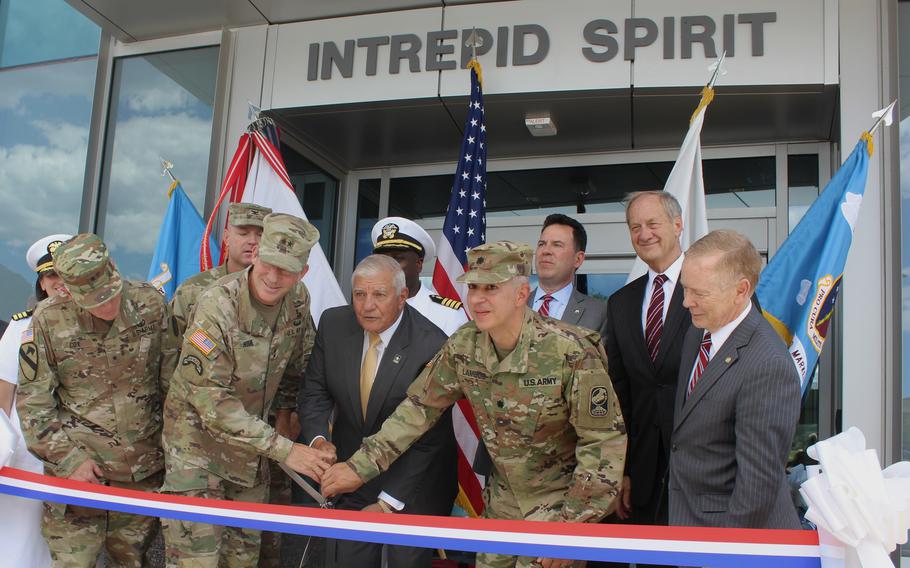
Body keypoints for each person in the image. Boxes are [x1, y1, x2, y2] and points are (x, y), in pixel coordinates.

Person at [321, 241, 626, 568]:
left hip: (557, 515)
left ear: (522, 295)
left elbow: (604, 443)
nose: (478, 299)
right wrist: (360, 466)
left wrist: (573, 528)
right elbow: (418, 411)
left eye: (491, 288)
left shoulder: (572, 351)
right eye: (474, 287)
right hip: (500, 512)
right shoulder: (464, 345)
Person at [160, 213, 335, 567]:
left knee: (243, 562)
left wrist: (290, 419)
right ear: (256, 254)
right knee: (197, 561)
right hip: (196, 453)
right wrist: (285, 450)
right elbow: (210, 399)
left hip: (250, 457)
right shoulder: (216, 305)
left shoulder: (298, 300)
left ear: (302, 272)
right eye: (268, 263)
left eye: (286, 270)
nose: (273, 277)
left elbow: (297, 367)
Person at [17, 233, 170, 568]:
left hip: (140, 474)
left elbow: (172, 387)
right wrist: (70, 461)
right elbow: (33, 404)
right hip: (78, 475)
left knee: (130, 562)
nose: (108, 306)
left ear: (113, 267)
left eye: (111, 294)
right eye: (95, 301)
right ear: (69, 292)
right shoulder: (47, 321)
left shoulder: (150, 305)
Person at [300, 254, 456, 567]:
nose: (367, 305)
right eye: (360, 294)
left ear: (403, 297)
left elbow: (430, 436)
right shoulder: (334, 324)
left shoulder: (431, 344)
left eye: (379, 295)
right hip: (350, 472)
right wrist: (318, 440)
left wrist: (387, 503)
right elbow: (314, 392)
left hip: (412, 480)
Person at [671, 229, 800, 529]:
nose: (686, 302)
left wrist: (724, 553)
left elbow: (757, 485)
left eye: (699, 293)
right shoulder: (697, 333)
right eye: (685, 289)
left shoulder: (767, 364)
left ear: (741, 290)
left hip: (733, 538)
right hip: (690, 521)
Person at [596, 192, 691, 566]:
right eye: (635, 226)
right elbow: (620, 394)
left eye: (653, 223)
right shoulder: (620, 303)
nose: (644, 233)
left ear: (678, 224)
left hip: (701, 472)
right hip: (646, 477)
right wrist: (624, 469)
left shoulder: (713, 285)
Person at [0, 234, 71, 568]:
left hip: (75, 453)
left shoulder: (97, 327)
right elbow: (4, 395)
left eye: (66, 274)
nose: (59, 283)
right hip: (26, 455)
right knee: (21, 547)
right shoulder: (20, 328)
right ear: (42, 283)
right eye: (51, 275)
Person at [371, 216, 468, 335]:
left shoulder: (449, 315)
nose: (388, 265)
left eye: (397, 258)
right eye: (383, 259)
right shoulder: (366, 309)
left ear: (418, 264)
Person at [530, 214, 607, 339]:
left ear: (578, 259)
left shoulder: (599, 313)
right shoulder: (511, 306)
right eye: (541, 244)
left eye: (557, 244)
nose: (545, 251)